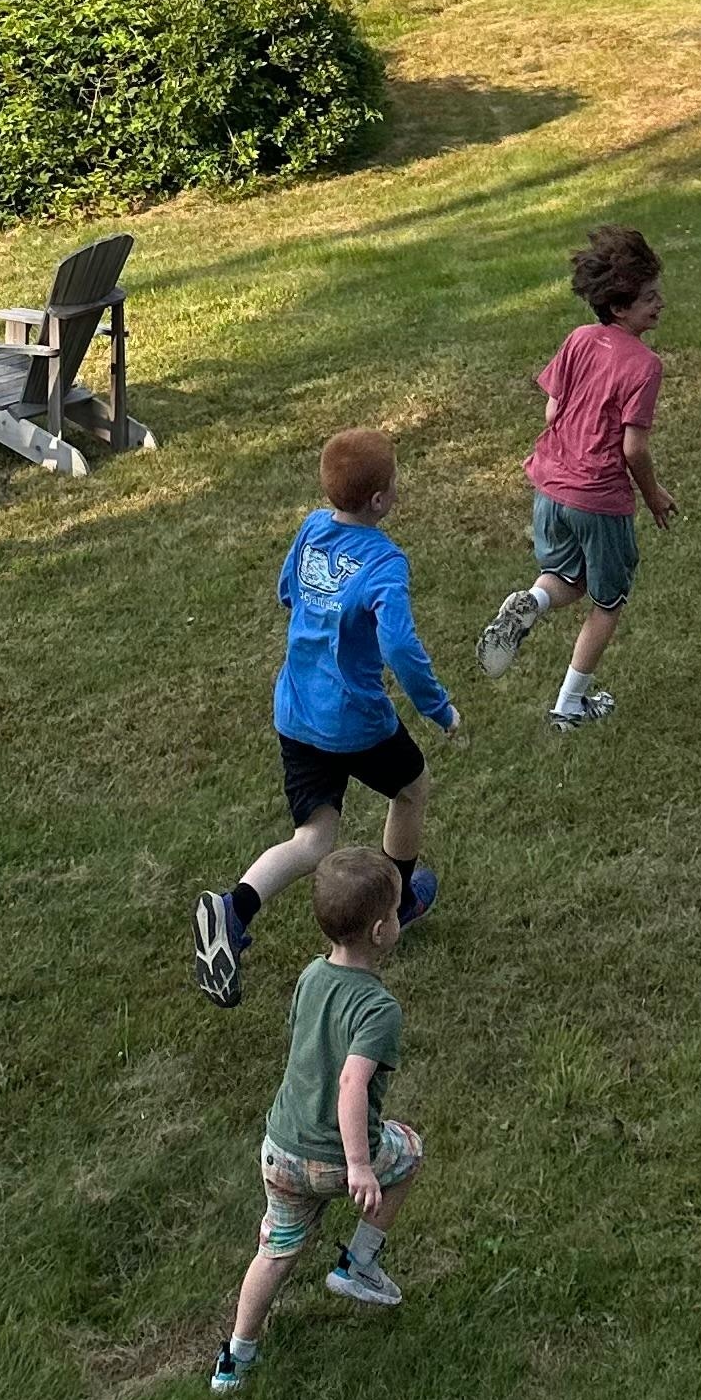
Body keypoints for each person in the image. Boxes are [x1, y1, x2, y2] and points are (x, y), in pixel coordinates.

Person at [194, 429, 458, 1009]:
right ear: (382, 500)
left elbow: (288, 591)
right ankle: (398, 902)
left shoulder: (313, 527)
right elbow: (402, 648)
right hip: (356, 721)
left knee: (313, 839)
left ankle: (233, 910)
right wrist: (440, 708)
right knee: (411, 787)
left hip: (296, 713)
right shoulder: (385, 561)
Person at [209, 844, 425, 1392]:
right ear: (380, 932)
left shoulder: (309, 976)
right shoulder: (379, 1010)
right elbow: (352, 1084)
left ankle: (236, 1359)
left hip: (281, 1150)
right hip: (335, 1159)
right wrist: (359, 1165)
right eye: (398, 910)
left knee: (273, 1253)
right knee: (408, 1150)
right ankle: (358, 1265)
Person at [474, 224, 674, 727]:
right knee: (609, 600)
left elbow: (550, 413)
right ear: (620, 307)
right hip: (598, 498)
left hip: (550, 486)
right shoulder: (645, 365)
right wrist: (651, 496)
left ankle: (532, 601)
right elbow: (633, 447)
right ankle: (569, 705)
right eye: (650, 297)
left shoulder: (580, 339)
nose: (661, 304)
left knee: (567, 578)